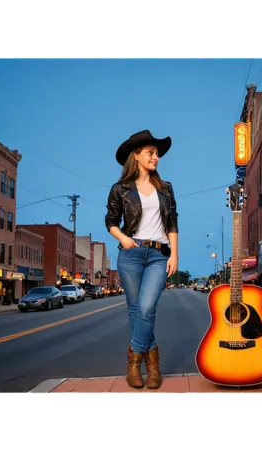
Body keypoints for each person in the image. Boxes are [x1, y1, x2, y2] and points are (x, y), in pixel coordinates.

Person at [105, 130, 179, 389]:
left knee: (147, 308)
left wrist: (175, 254)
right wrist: (123, 239)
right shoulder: (120, 189)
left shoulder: (165, 188)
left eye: (157, 153)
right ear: (136, 156)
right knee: (135, 310)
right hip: (131, 254)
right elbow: (111, 222)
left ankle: (134, 363)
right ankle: (153, 364)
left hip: (159, 255)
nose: (156, 157)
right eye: (151, 152)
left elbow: (172, 222)